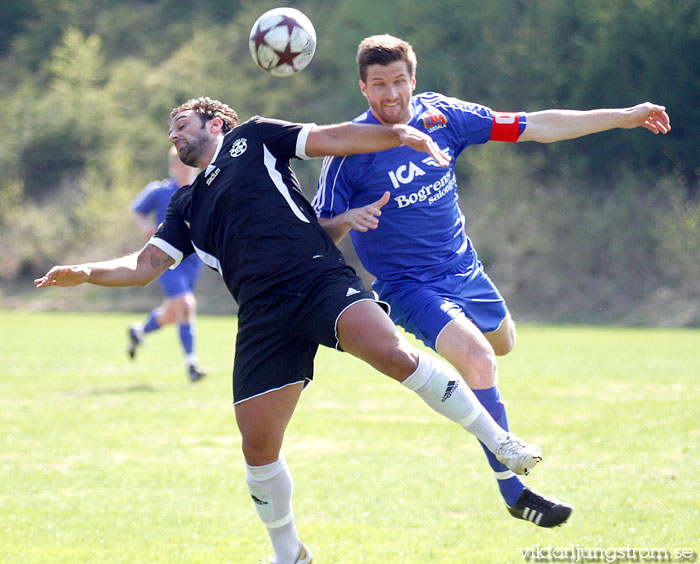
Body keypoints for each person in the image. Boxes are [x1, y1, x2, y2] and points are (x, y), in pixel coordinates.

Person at [36, 97, 546, 564]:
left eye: (181, 124)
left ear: (215, 123)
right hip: (263, 316)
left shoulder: (252, 138)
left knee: (390, 352)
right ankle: (289, 554)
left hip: (317, 278)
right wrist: (85, 271)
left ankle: (500, 441)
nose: (173, 135)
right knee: (257, 447)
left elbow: (335, 137)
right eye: (171, 130)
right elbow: (144, 266)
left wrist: (397, 135)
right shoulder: (184, 208)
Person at [311, 34, 671, 529]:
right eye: (379, 85)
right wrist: (348, 218)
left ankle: (472, 389)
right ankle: (515, 491)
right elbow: (314, 234)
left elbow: (536, 125)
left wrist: (623, 115)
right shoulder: (347, 151)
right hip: (407, 287)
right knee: (478, 359)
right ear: (363, 88)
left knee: (501, 344)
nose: (390, 94)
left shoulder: (442, 117)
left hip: (465, 270)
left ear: (413, 80)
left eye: (399, 82)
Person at [127, 147, 207, 382]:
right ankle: (192, 365)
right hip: (166, 259)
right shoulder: (160, 191)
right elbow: (137, 210)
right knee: (186, 305)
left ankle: (138, 332)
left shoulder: (202, 190)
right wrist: (144, 227)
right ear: (173, 167)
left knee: (173, 314)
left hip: (193, 262)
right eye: (180, 164)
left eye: (189, 164)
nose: (185, 169)